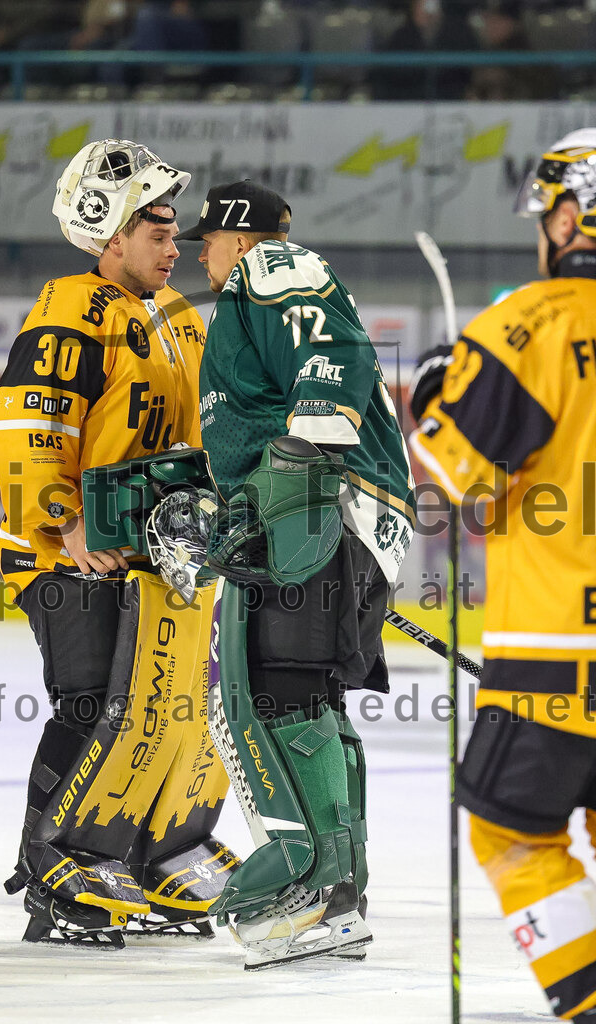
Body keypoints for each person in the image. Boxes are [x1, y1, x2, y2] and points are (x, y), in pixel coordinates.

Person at [0, 138, 236, 947]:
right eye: (157, 232)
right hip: (69, 557)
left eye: (174, 232)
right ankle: (52, 867)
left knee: (170, 715)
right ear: (109, 234)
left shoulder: (180, 321)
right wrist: (63, 516)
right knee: (95, 707)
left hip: (157, 563)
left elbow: (209, 436)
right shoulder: (68, 312)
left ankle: (139, 856)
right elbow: (23, 425)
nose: (175, 246)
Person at [176, 180, 416, 969]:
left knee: (271, 698)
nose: (199, 254)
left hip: (314, 518)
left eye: (207, 239)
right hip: (332, 518)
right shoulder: (255, 286)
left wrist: (290, 485)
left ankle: (307, 891)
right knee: (308, 703)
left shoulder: (272, 267)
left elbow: (332, 360)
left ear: (240, 239)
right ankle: (338, 898)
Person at [408, 129, 596, 1023]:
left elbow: (458, 484)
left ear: (568, 215)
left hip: (555, 647)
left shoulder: (530, 323)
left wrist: (436, 392)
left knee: (511, 830)